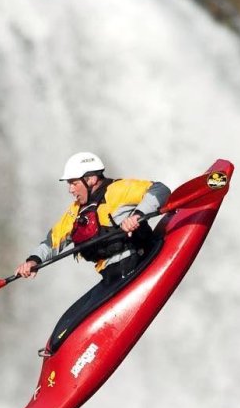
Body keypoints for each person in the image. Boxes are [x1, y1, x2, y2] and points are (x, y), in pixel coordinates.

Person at [15, 152, 171, 355]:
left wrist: (137, 215)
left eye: (73, 183)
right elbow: (52, 241)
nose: (70, 189)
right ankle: (58, 357)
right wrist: (32, 261)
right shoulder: (75, 212)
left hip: (137, 263)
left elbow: (160, 189)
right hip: (111, 278)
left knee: (79, 324)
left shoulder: (118, 190)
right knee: (64, 327)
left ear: (90, 179)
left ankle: (82, 357)